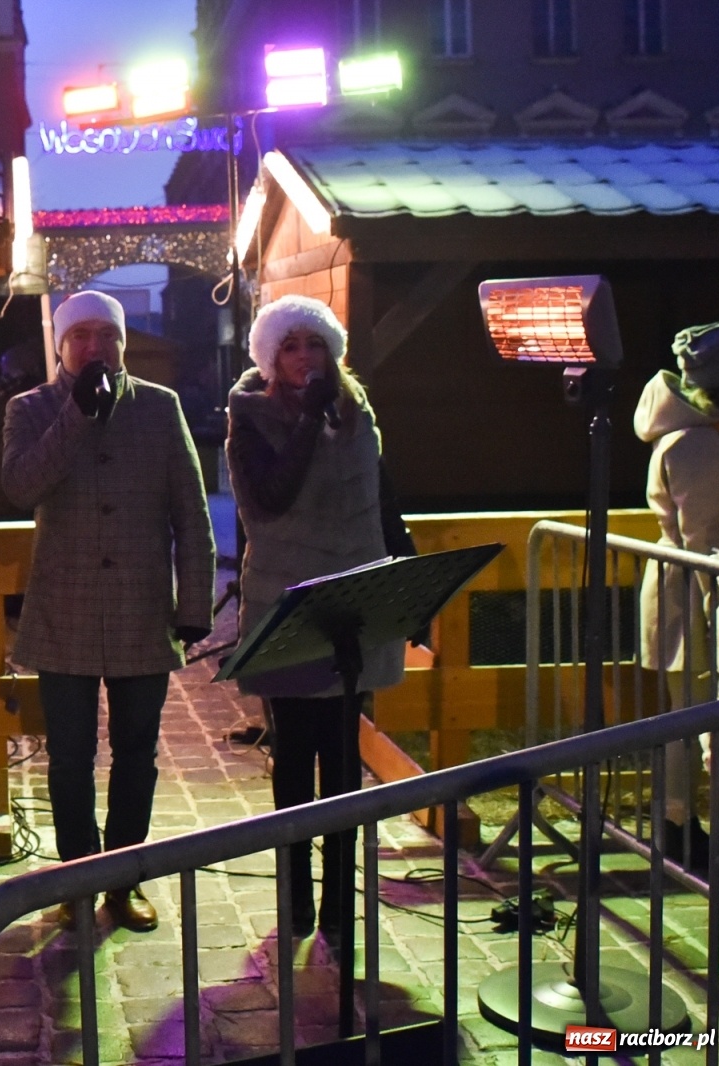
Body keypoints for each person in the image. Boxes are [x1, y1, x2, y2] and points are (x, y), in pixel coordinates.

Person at [2, 290, 215, 933]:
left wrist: (194, 606)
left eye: (108, 336)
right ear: (62, 345)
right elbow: (19, 487)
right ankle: (75, 879)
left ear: (123, 342)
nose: (96, 347)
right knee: (67, 758)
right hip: (62, 609)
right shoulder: (31, 408)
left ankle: (123, 883)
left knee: (136, 755)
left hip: (141, 607)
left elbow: (192, 513)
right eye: (83, 336)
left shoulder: (160, 405)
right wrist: (76, 413)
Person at [225, 294, 417, 938]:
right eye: (291, 346)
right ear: (271, 359)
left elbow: (385, 504)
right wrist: (306, 419)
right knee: (295, 758)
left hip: (355, 601)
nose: (305, 357)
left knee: (343, 759)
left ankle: (340, 901)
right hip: (290, 600)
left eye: (314, 344)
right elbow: (272, 497)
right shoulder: (249, 419)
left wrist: (410, 592)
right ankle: (296, 897)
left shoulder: (359, 414)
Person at [634, 322, 719, 875]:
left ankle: (681, 825)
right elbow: (702, 537)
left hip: (684, 587)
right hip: (692, 593)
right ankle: (680, 828)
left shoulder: (689, 434)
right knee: (691, 715)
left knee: (686, 713)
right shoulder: (698, 443)